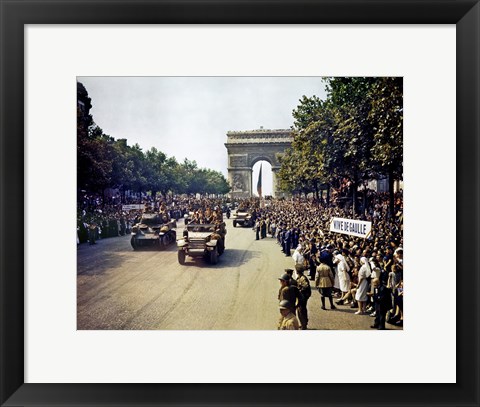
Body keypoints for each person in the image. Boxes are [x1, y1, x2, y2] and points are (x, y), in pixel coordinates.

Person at [295, 264, 311, 330]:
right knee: (300, 311)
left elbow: (306, 286)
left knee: (302, 311)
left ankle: (304, 325)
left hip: (303, 296)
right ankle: (303, 324)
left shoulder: (302, 278)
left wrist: (300, 290)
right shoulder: (300, 277)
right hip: (302, 296)